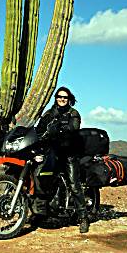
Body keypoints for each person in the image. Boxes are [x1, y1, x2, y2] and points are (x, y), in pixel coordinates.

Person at [35, 86, 90, 233]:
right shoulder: (49, 113)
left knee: (74, 184)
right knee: (43, 178)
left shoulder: (73, 113)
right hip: (52, 153)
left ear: (69, 99)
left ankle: (83, 217)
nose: (62, 99)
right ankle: (43, 212)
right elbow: (39, 128)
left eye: (65, 97)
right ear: (56, 98)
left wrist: (61, 129)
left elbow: (74, 127)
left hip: (69, 153)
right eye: (59, 96)